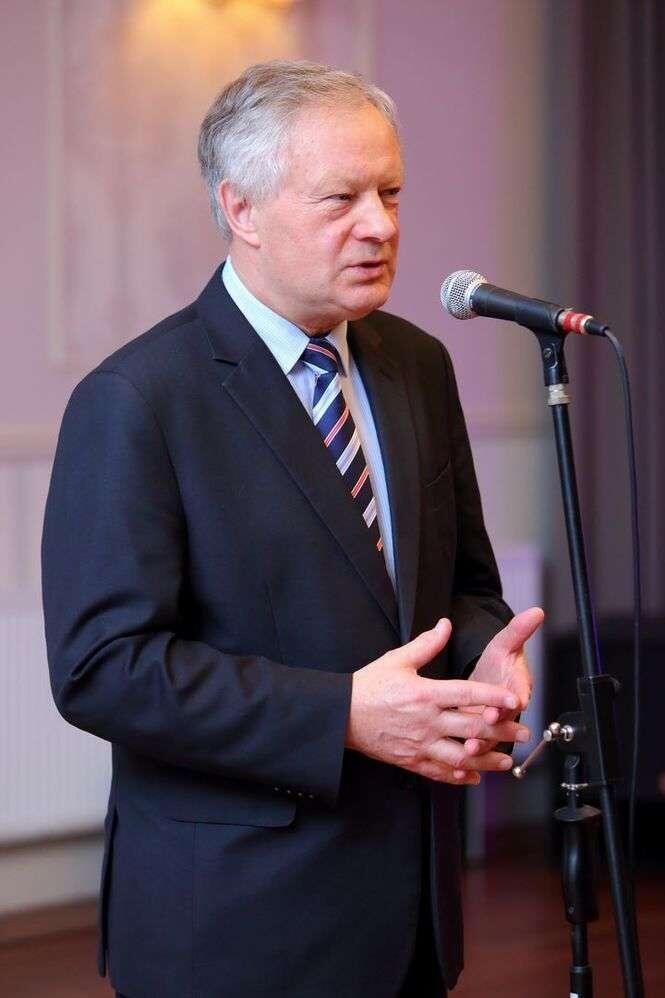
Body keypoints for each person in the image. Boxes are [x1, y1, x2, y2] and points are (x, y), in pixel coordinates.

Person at [41, 60, 543, 998]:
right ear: (241, 209)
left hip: (410, 911)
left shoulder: (416, 365)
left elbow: (461, 584)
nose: (380, 225)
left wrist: (485, 656)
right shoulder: (137, 398)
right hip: (234, 921)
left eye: (390, 193)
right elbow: (102, 669)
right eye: (340, 199)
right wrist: (341, 715)